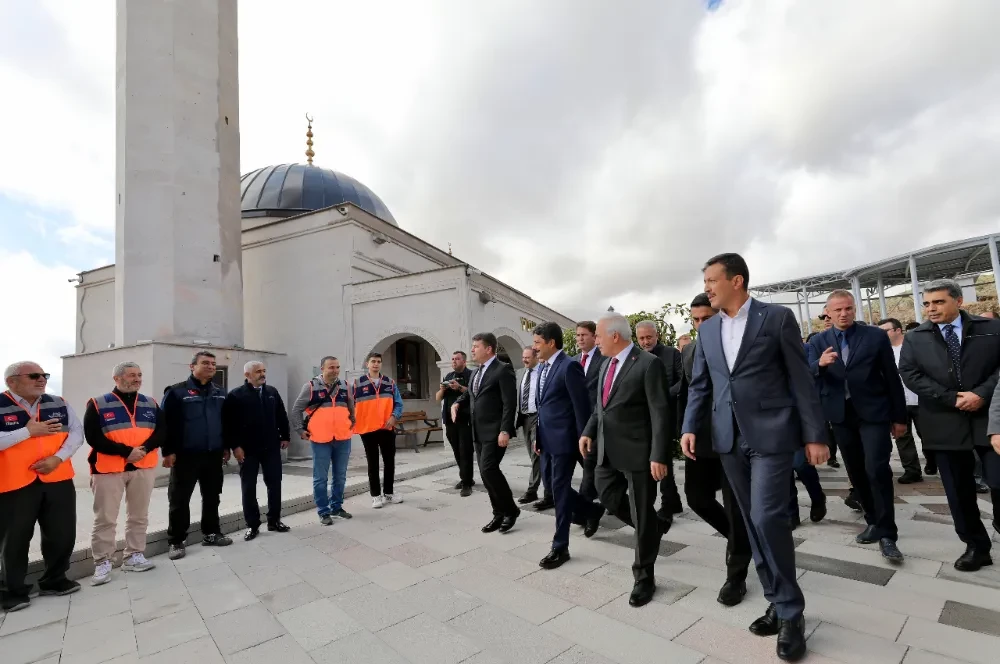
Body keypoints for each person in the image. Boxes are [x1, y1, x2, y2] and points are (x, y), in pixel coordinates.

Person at [682, 253, 828, 662]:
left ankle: (792, 614)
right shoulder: (708, 330)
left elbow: (800, 377)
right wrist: (690, 426)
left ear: (737, 281)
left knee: (767, 517)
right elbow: (701, 386)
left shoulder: (776, 318)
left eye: (712, 280)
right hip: (728, 439)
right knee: (749, 522)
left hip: (772, 434)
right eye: (705, 280)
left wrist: (814, 434)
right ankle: (777, 601)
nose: (707, 287)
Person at [901, 279, 1000, 571]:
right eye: (927, 303)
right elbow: (909, 373)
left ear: (958, 301)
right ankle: (976, 546)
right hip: (944, 420)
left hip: (989, 418)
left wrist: (981, 394)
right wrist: (951, 398)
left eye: (939, 302)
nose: (931, 309)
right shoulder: (916, 337)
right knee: (958, 490)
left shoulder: (991, 329)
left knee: (997, 480)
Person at [808, 290, 907, 563]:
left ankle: (888, 533)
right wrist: (820, 365)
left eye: (848, 308)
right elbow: (806, 375)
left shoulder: (874, 336)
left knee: (877, 467)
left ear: (855, 309)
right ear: (828, 312)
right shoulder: (818, 341)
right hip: (841, 416)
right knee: (856, 471)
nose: (843, 314)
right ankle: (873, 520)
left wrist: (899, 418)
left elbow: (891, 376)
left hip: (873, 413)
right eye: (837, 310)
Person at [580, 313, 671, 608]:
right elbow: (600, 405)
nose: (596, 341)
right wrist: (589, 431)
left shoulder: (647, 364)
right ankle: (653, 528)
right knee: (607, 495)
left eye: (599, 336)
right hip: (607, 449)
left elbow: (660, 412)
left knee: (641, 511)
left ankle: (644, 577)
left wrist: (658, 455)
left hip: (639, 452)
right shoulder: (606, 363)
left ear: (615, 336)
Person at [675, 295, 752, 606]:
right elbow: (688, 393)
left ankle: (736, 575)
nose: (701, 325)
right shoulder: (689, 350)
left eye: (706, 318)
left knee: (735, 506)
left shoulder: (739, 342)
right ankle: (741, 537)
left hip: (736, 438)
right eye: (695, 320)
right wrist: (684, 430)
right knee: (696, 498)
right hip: (703, 440)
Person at [0, 362, 83, 612]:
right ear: (11, 381)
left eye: (44, 375)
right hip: (14, 483)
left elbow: (77, 434)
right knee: (14, 539)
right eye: (34, 376)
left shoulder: (58, 402)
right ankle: (12, 591)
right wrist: (26, 432)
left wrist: (58, 458)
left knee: (62, 533)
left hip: (57, 478)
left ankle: (54, 580)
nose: (41, 379)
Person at [533, 322, 605, 569]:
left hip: (565, 441)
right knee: (552, 488)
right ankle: (591, 510)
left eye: (537, 343)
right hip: (546, 440)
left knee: (560, 490)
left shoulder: (569, 366)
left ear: (551, 343)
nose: (534, 348)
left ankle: (560, 546)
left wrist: (585, 437)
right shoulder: (542, 368)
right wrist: (538, 437)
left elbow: (581, 406)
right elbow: (542, 407)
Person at [86, 361, 162, 586]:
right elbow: (93, 436)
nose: (137, 379)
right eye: (131, 375)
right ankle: (103, 562)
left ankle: (134, 555)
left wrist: (144, 450)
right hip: (108, 469)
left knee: (139, 515)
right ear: (117, 378)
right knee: (105, 518)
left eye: (139, 375)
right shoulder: (98, 403)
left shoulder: (150, 402)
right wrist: (126, 452)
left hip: (143, 467)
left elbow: (162, 431)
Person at [162, 351, 232, 559]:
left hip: (213, 454)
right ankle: (176, 541)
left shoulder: (220, 392)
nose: (211, 366)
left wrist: (226, 447)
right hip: (185, 456)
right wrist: (168, 451)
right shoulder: (176, 392)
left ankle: (211, 533)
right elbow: (166, 424)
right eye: (205, 363)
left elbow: (225, 422)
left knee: (212, 496)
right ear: (192, 366)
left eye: (213, 363)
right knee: (179, 499)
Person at [453, 332, 519, 533]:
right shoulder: (475, 372)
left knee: (489, 469)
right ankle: (498, 513)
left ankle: (510, 510)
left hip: (495, 431)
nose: (472, 350)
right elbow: (471, 395)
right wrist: (456, 403)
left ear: (488, 349)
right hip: (477, 431)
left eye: (476, 346)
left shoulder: (503, 370)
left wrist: (505, 430)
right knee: (485, 473)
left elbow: (509, 403)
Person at [223, 361, 291, 541]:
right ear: (247, 375)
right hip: (247, 450)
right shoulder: (236, 396)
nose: (262, 374)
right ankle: (252, 525)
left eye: (263, 371)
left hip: (271, 447)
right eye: (258, 371)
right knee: (248, 487)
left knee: (275, 483)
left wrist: (285, 436)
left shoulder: (272, 393)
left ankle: (274, 520)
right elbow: (229, 425)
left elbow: (281, 415)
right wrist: (235, 446)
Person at [292, 357, 355, 524]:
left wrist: (351, 424)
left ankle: (337, 507)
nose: (335, 370)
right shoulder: (311, 387)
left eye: (337, 367)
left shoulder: (345, 386)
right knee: (320, 477)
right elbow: (296, 410)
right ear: (322, 368)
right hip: (320, 439)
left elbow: (351, 407)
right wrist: (300, 429)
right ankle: (323, 511)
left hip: (342, 438)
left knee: (340, 476)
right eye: (331, 367)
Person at [635, 320, 684, 522]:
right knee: (659, 460)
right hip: (645, 419)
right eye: (642, 338)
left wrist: (661, 397)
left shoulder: (672, 354)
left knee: (662, 459)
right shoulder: (636, 357)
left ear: (657, 336)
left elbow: (684, 381)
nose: (646, 341)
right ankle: (672, 501)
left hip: (668, 415)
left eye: (649, 337)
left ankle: (667, 504)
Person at [877, 317, 925, 483]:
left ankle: (933, 460)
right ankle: (912, 470)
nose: (882, 334)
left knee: (927, 435)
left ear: (898, 330)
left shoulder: (913, 347)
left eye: (885, 331)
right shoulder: (883, 351)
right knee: (903, 437)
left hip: (921, 400)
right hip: (898, 402)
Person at [354, 352, 404, 508]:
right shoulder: (358, 384)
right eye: (373, 361)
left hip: (387, 427)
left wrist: (394, 417)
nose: (376, 364)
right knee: (372, 462)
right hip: (367, 429)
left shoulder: (390, 383)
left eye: (378, 361)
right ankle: (376, 496)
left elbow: (399, 403)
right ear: (367, 364)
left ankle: (389, 493)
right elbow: (350, 405)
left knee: (389, 462)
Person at [572, 320, 603, 509]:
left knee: (590, 466)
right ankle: (606, 492)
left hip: (596, 421)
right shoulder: (573, 361)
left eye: (584, 335)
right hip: (576, 422)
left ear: (594, 336)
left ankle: (587, 510)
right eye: (577, 335)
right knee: (588, 465)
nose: (580, 339)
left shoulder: (604, 358)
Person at [436, 351, 474, 495]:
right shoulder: (448, 376)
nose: (454, 361)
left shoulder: (471, 375)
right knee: (457, 451)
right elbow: (438, 398)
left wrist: (459, 387)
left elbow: (474, 393)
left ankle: (467, 483)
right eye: (452, 359)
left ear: (464, 361)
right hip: (449, 419)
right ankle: (465, 478)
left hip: (465, 419)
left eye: (457, 359)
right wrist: (442, 389)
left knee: (466, 451)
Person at [515, 346, 549, 506]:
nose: (524, 360)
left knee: (536, 454)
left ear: (536, 357)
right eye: (523, 357)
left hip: (538, 417)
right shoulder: (520, 373)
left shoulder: (543, 371)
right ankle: (545, 488)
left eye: (527, 357)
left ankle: (532, 490)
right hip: (524, 418)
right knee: (533, 455)